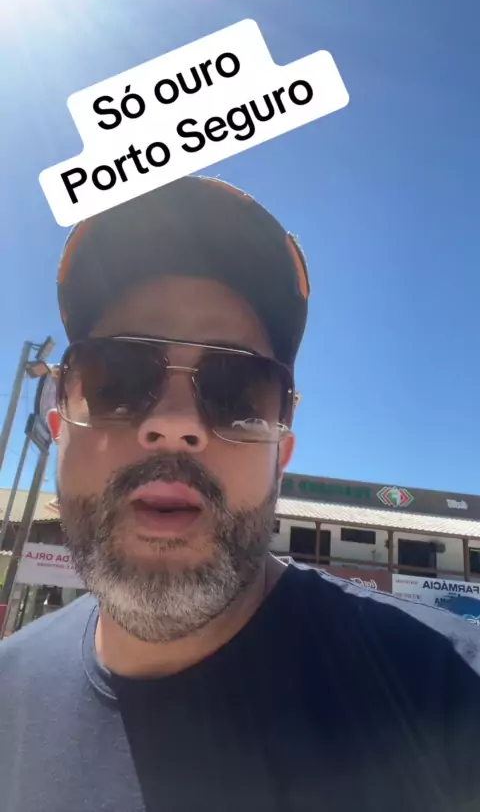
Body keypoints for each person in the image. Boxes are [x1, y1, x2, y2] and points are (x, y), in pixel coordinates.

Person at [1, 176, 480, 812]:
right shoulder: (8, 693)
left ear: (281, 454)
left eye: (237, 391)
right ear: (60, 428)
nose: (175, 424)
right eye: (117, 378)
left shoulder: (453, 696)